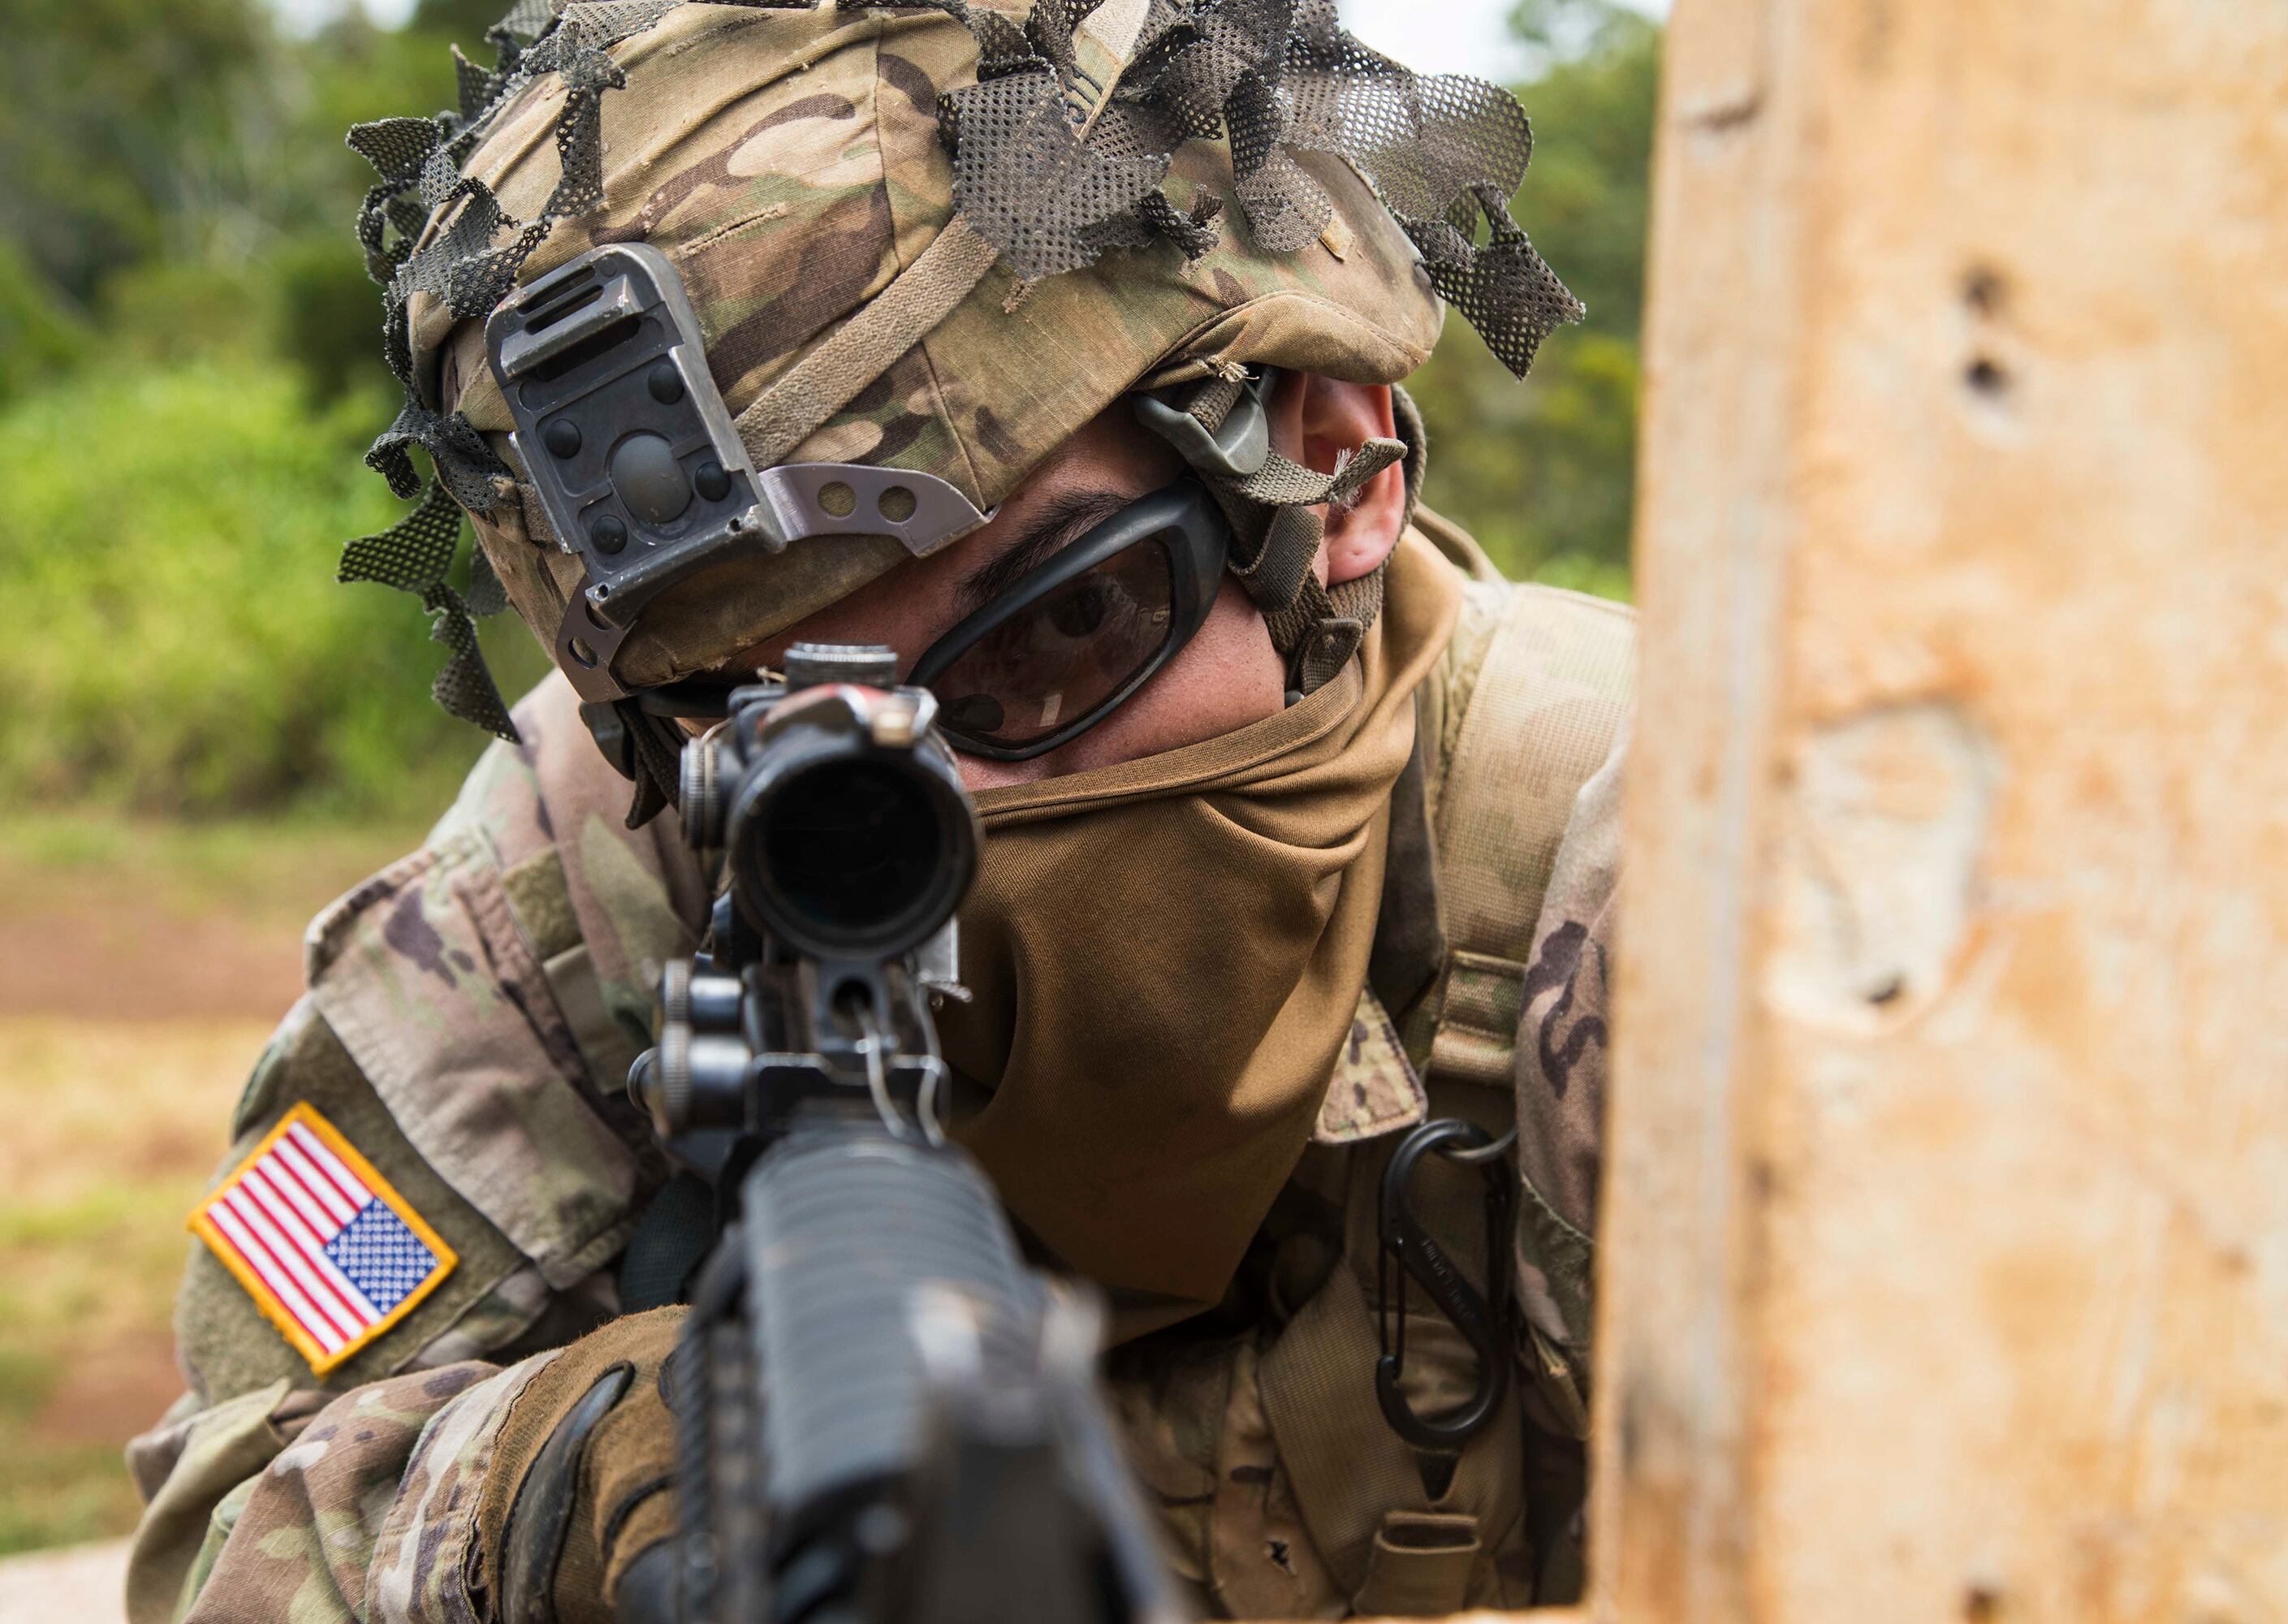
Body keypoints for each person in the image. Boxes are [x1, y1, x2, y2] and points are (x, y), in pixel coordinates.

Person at [123, 1, 1635, 1618]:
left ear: (1332, 467)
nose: (934, 804)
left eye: (1064, 628)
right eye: (777, 719)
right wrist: (583, 1486)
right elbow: (233, 1512)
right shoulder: (562, 899)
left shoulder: (1670, 913)